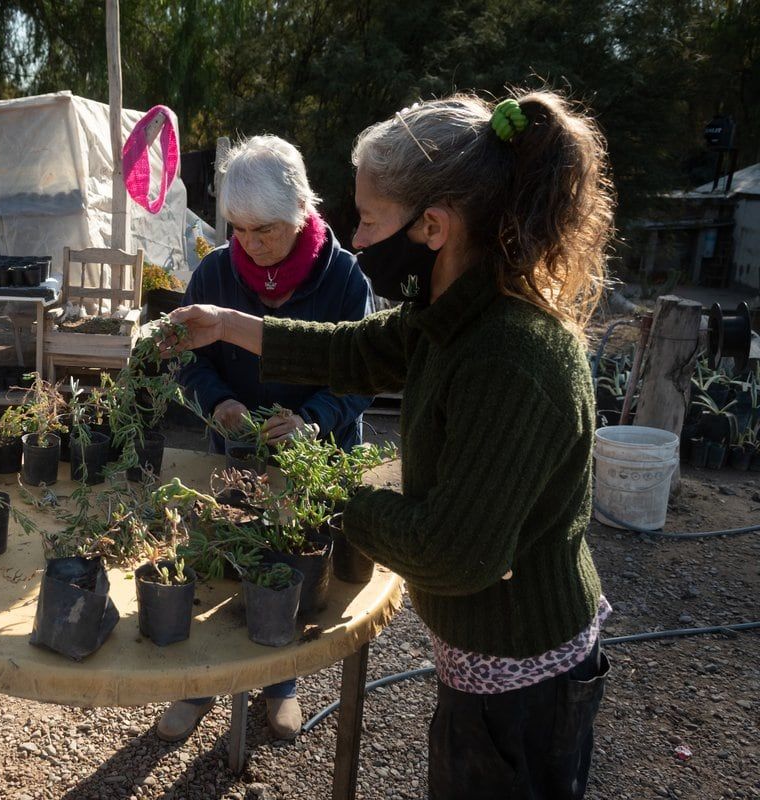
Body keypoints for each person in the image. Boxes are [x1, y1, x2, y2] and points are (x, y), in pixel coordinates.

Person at [167, 91, 614, 799]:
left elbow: (452, 553)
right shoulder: (453, 313)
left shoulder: (509, 354)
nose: (360, 240)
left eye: (370, 220)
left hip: (525, 676)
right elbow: (355, 351)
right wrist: (227, 323)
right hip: (484, 659)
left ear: (432, 226)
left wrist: (329, 490)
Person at [157, 135, 374, 743]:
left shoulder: (345, 280)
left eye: (266, 231)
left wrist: (313, 419)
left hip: (315, 455)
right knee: (222, 561)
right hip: (236, 450)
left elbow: (362, 377)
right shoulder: (214, 272)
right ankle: (199, 683)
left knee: (288, 569)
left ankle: (280, 683)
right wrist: (217, 401)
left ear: (303, 209)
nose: (250, 244)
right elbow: (185, 358)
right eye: (239, 230)